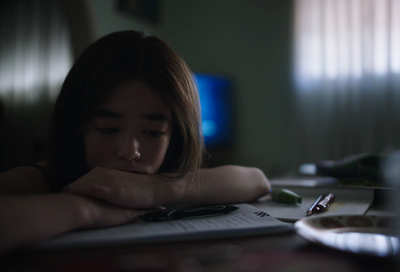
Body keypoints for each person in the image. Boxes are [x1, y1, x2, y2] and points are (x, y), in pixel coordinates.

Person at [0, 30, 270, 253]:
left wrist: (158, 189)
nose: (130, 152)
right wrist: (84, 209)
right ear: (77, 127)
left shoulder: (163, 174)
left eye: (153, 133)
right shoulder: (39, 179)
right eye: (107, 129)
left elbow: (256, 180)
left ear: (175, 137)